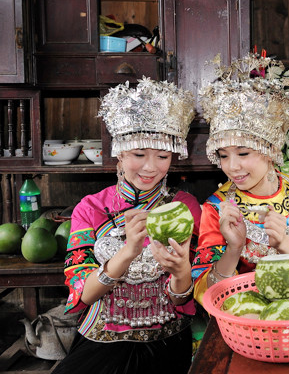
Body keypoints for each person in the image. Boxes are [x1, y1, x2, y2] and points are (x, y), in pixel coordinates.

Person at [53, 78, 201, 374]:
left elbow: (183, 297)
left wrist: (181, 270)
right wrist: (127, 252)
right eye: (138, 154)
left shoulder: (185, 207)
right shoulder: (91, 208)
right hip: (102, 341)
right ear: (119, 152)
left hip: (168, 342)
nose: (150, 167)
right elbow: (84, 294)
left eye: (162, 156)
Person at [192, 52, 289, 305]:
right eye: (223, 156)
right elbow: (207, 292)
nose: (232, 167)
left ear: (270, 151)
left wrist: (284, 243)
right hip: (244, 318)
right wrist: (234, 249)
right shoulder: (217, 208)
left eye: (243, 153)